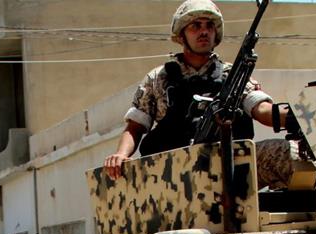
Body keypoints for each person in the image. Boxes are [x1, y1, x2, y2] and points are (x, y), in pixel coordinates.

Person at [103, 0, 294, 186]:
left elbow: (261, 109)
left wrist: (297, 116)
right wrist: (121, 155)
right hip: (174, 175)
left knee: (290, 153)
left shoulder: (232, 75)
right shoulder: (159, 78)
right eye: (195, 26)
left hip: (229, 166)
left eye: (209, 26)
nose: (204, 31)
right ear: (181, 35)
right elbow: (136, 126)